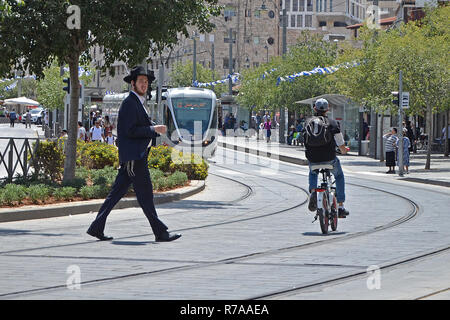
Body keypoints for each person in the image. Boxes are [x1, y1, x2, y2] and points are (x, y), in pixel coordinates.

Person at [87, 66, 181, 242]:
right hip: (134, 158)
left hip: (135, 156)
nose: (144, 84)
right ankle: (160, 233)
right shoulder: (130, 102)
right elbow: (131, 130)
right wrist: (153, 129)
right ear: (133, 83)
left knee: (116, 194)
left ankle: (96, 227)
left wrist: (153, 127)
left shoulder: (137, 102)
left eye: (146, 82)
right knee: (145, 195)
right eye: (141, 81)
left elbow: (138, 125)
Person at [304, 98, 349, 218]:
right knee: (339, 176)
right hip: (329, 158)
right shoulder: (333, 123)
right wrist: (344, 151)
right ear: (327, 109)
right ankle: (340, 206)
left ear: (315, 108)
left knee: (313, 172)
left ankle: (313, 191)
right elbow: (340, 142)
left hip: (313, 158)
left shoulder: (308, 122)